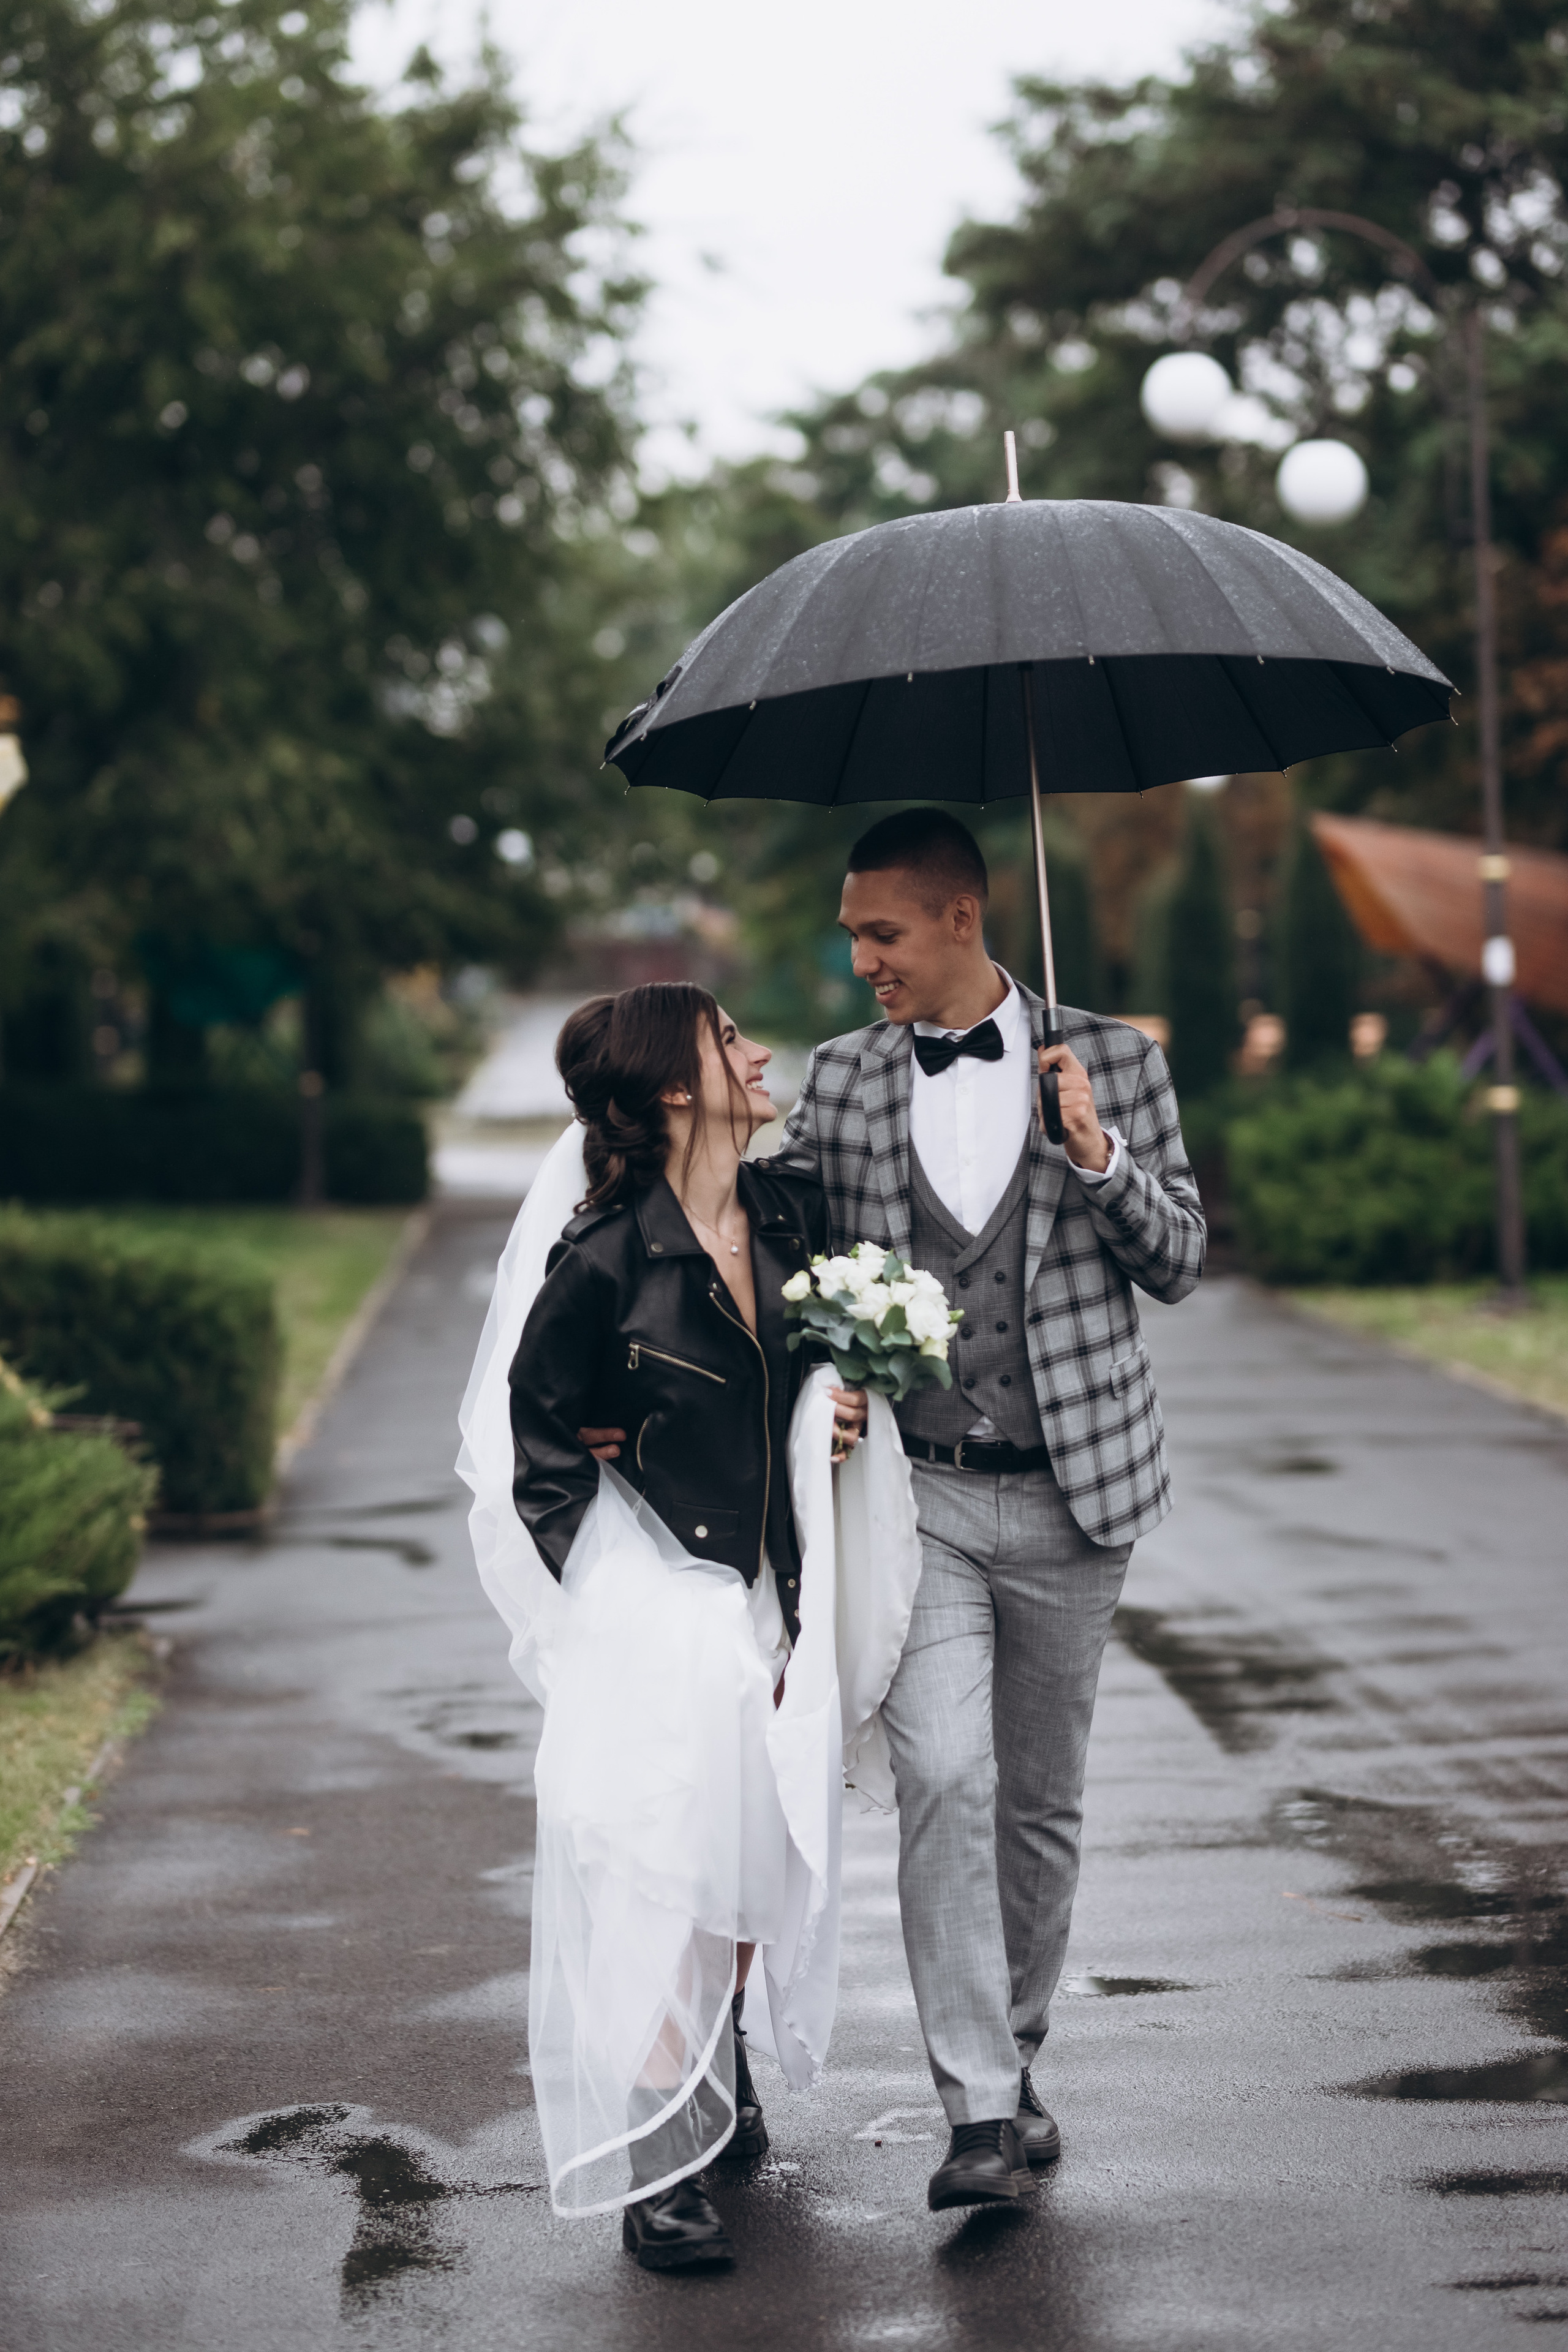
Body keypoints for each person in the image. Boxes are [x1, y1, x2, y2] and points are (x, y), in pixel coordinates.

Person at [763, 807, 1206, 2213]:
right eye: (850, 937)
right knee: (944, 1780)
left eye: (879, 935)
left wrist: (1094, 1154)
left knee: (1039, 1804)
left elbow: (1181, 1257)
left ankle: (1014, 2054)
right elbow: (776, 1253)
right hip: (921, 1500)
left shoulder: (1114, 1059)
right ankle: (975, 2107)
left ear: (961, 916)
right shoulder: (839, 1082)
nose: (860, 965)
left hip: (1078, 1498)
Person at [498, 982, 868, 2272]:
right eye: (727, 1039)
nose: (758, 1052)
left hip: (775, 1584)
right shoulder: (602, 1257)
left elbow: (829, 1341)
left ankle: (719, 2054)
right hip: (656, 1598)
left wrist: (836, 1395)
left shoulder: (786, 1211)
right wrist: (603, 1576)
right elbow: (535, 1438)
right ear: (672, 1085)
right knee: (661, 1855)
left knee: (753, 1843)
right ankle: (658, 2158)